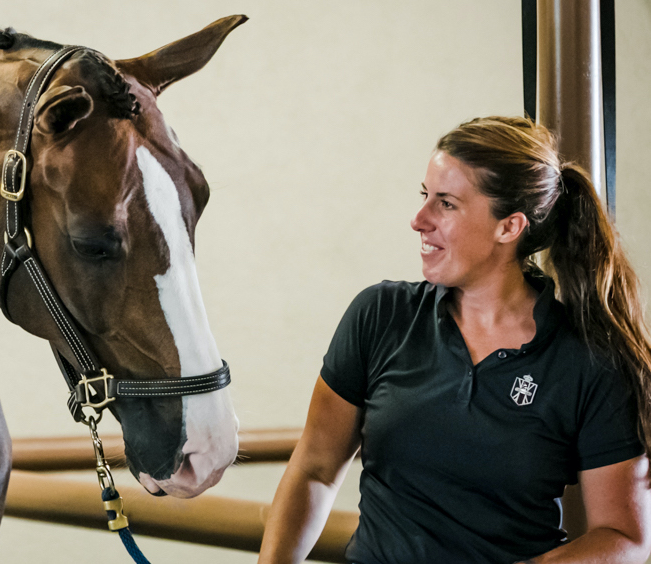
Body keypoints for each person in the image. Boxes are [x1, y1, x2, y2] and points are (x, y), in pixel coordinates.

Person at [257, 116, 651, 564]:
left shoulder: (588, 360)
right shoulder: (380, 315)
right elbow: (314, 470)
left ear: (509, 226)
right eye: (425, 196)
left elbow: (624, 536)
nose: (419, 219)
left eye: (446, 204)